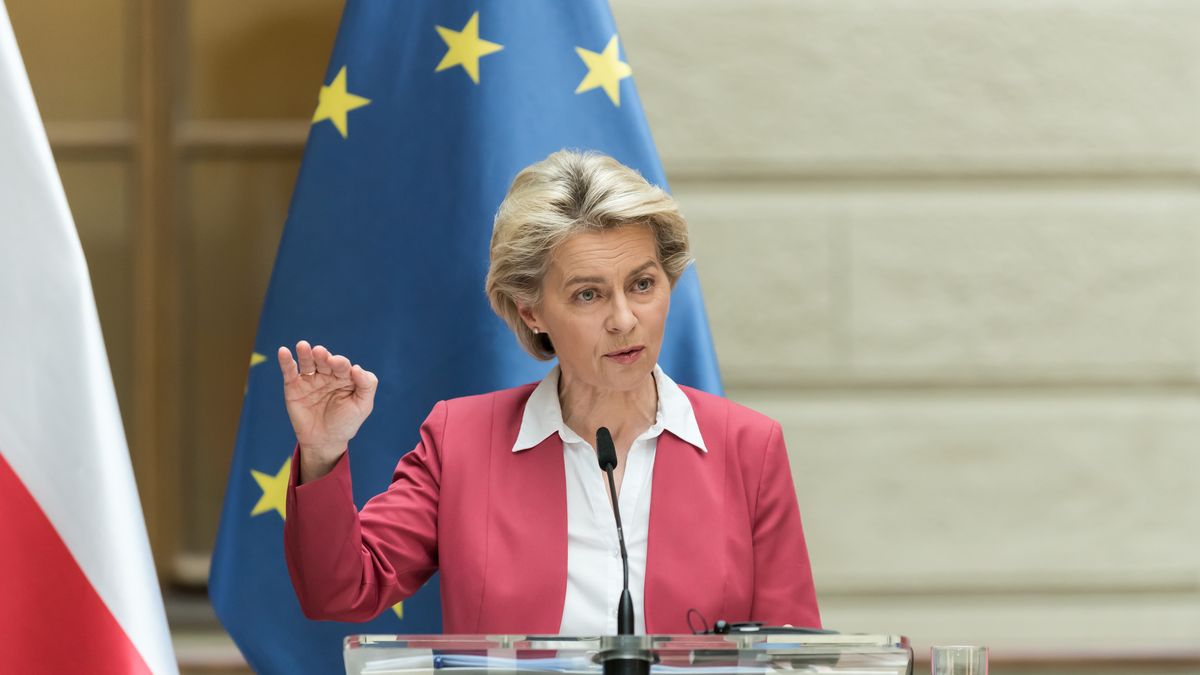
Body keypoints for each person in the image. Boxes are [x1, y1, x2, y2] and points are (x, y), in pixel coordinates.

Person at [280, 150, 821, 634]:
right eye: (588, 294)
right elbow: (340, 592)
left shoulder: (748, 446)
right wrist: (322, 454)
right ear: (532, 310)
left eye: (642, 284)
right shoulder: (462, 441)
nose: (624, 319)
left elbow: (792, 653)